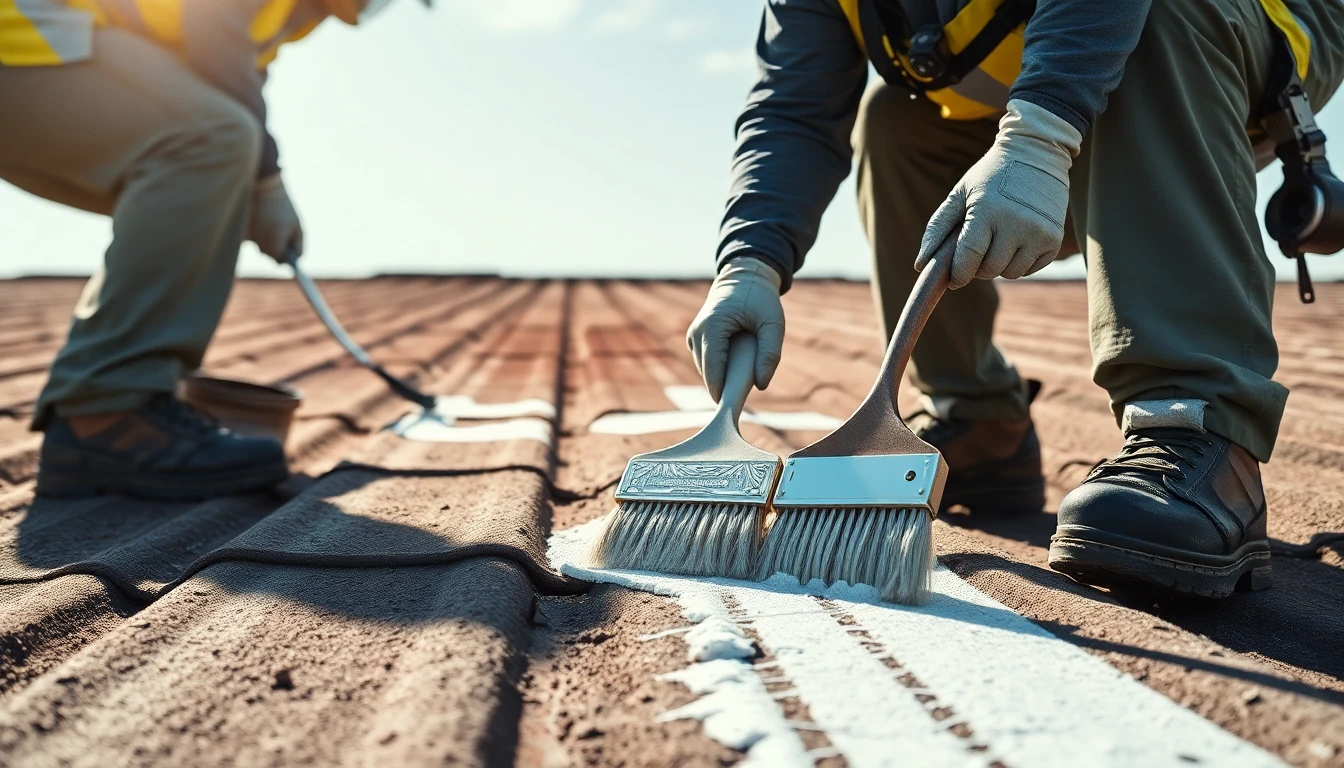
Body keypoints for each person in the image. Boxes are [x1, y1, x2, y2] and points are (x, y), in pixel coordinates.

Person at [686, 0, 1343, 597]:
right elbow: (793, 108)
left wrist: (1038, 139)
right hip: (1050, 59)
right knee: (897, 120)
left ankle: (1200, 426)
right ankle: (976, 415)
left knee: (1153, 16)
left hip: (1229, 26)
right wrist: (748, 264)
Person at [0, 0, 428, 499]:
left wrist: (255, 181)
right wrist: (266, 181)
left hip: (50, 50)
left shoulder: (290, 16)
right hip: (29, 34)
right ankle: (107, 411)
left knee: (215, 160)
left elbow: (228, 77)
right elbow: (212, 36)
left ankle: (124, 393)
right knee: (211, 140)